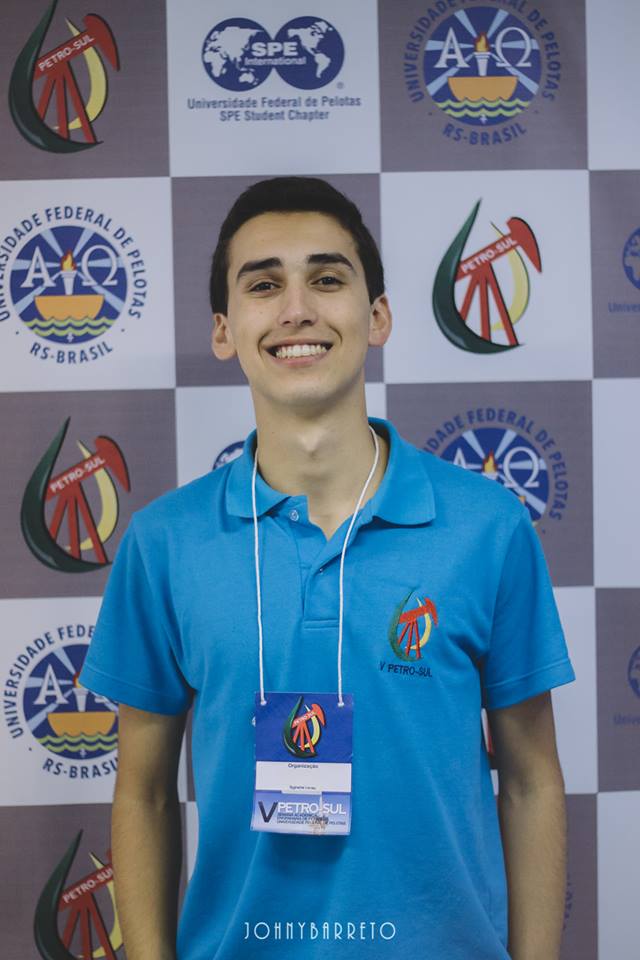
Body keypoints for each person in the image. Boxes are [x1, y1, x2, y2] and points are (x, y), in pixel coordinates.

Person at [79, 176, 576, 960]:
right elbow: (142, 794)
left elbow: (530, 780)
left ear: (377, 316)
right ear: (224, 330)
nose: (296, 309)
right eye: (263, 285)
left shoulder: (487, 527)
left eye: (327, 279)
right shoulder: (163, 542)